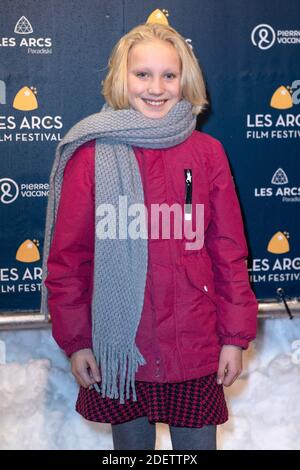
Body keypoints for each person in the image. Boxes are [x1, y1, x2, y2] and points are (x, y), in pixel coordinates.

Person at [41, 22, 258, 451]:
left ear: (185, 80)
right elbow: (70, 259)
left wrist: (234, 338)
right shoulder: (91, 155)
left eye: (169, 75)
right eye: (143, 74)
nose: (156, 87)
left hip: (195, 346)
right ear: (122, 79)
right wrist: (78, 341)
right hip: (123, 352)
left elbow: (228, 252)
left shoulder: (207, 153)